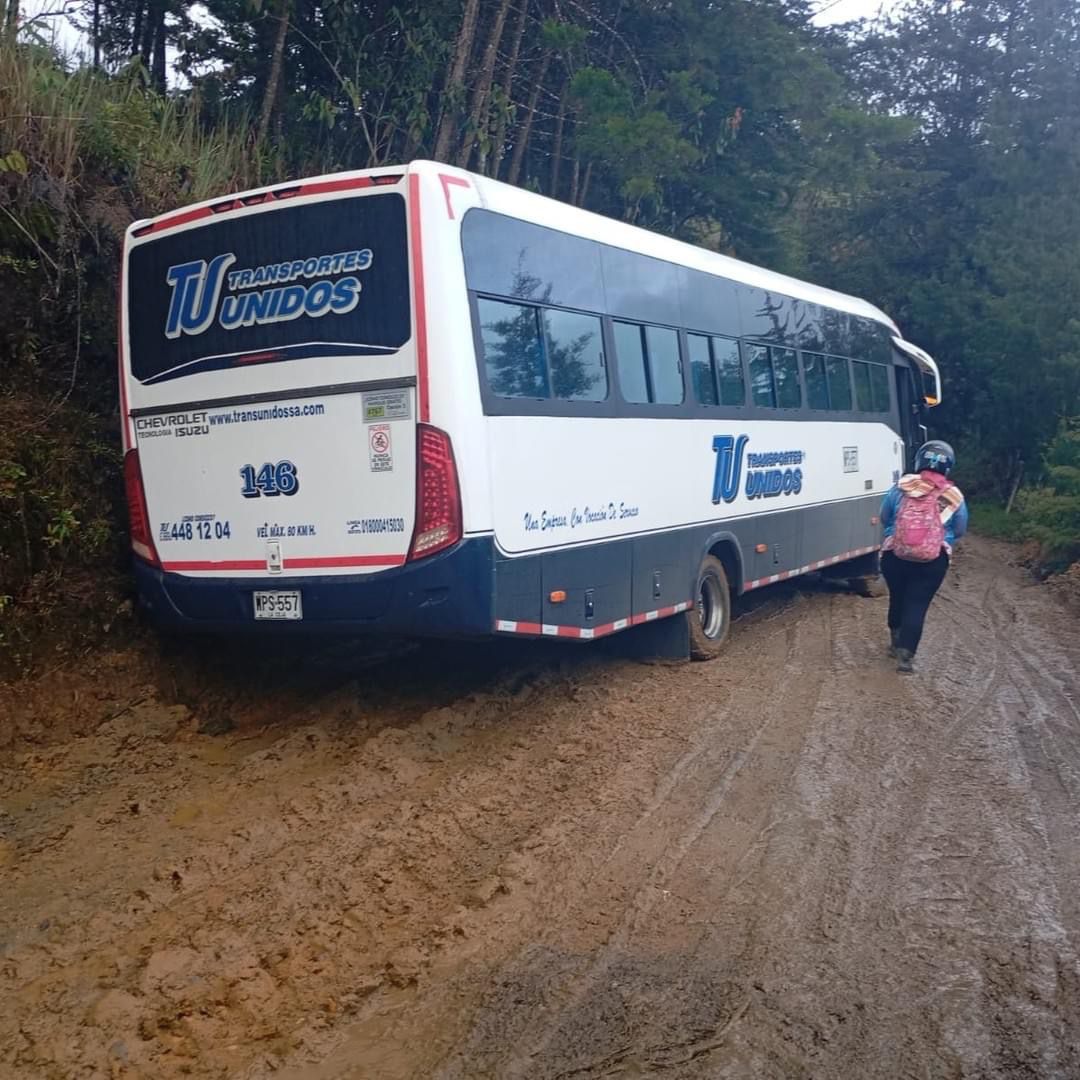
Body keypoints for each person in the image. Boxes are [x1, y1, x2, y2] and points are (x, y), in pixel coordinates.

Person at [879, 440, 968, 673]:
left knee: (897, 597)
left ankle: (895, 640)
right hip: (933, 560)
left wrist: (899, 534)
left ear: (919, 461)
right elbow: (959, 529)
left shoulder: (902, 487)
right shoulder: (953, 495)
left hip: (895, 555)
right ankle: (906, 658)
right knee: (917, 604)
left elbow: (884, 516)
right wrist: (941, 539)